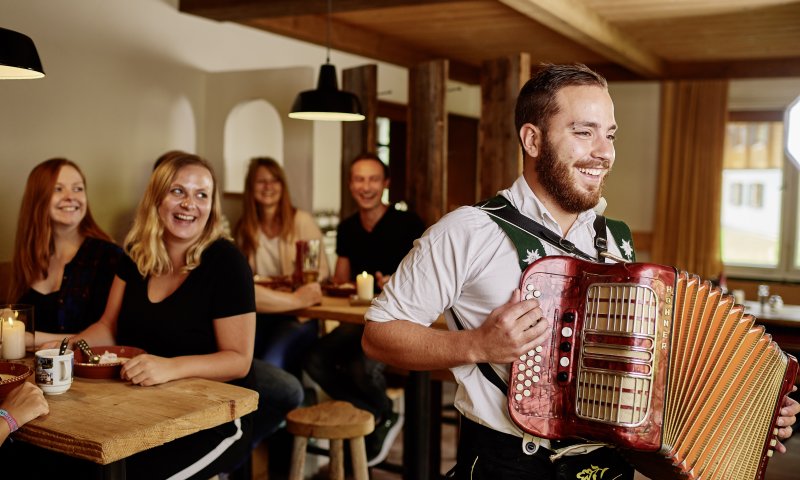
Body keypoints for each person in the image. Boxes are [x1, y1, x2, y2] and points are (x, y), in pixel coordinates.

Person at [361, 64, 800, 479]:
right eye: (583, 132)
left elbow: (654, 373)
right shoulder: (467, 230)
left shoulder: (616, 242)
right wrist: (475, 344)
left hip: (607, 467)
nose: (604, 152)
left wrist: (751, 411)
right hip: (509, 465)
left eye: (609, 134)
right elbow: (379, 333)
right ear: (532, 140)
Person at [58, 152, 298, 479]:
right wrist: (62, 351)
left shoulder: (226, 262)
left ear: (212, 207)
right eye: (178, 191)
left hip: (215, 420)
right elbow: (108, 328)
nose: (190, 204)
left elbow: (238, 360)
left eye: (202, 195)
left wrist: (169, 367)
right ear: (157, 197)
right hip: (147, 411)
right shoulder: (136, 253)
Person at [304, 152, 425, 466]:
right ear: (350, 185)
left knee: (360, 365)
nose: (366, 186)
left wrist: (398, 282)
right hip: (357, 318)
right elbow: (343, 281)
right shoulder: (347, 228)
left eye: (373, 179)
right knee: (314, 359)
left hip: (398, 322)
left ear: (385, 184)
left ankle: (370, 419)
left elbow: (425, 279)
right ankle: (380, 412)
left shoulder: (408, 223)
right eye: (359, 179)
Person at [8, 158, 122, 346]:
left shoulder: (108, 257)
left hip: (83, 372)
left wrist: (30, 339)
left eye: (78, 188)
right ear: (38, 197)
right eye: (58, 189)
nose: (71, 196)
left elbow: (108, 335)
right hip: (32, 370)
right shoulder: (29, 256)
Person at [233, 157, 326, 379]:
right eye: (261, 181)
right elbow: (240, 281)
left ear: (283, 186)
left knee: (271, 363)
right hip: (262, 314)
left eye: (274, 180)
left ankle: (285, 408)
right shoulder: (244, 227)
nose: (268, 187)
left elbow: (321, 271)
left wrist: (292, 286)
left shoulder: (301, 220)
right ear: (250, 188)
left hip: (298, 316)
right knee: (241, 364)